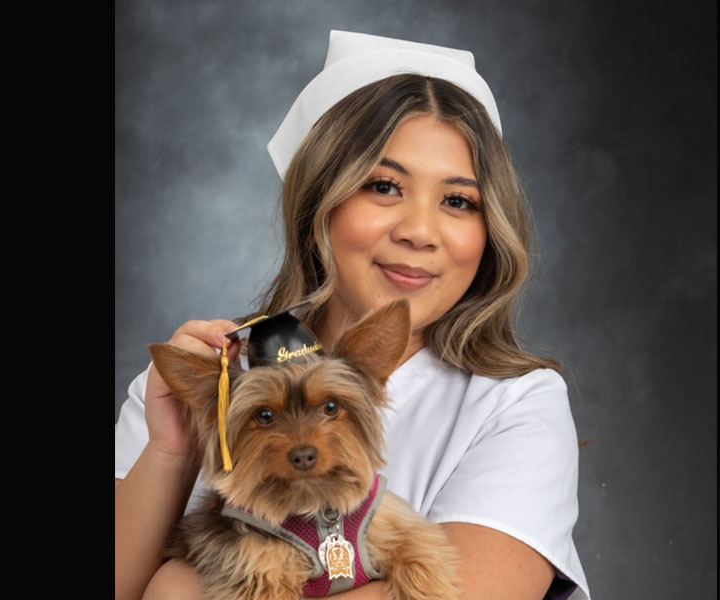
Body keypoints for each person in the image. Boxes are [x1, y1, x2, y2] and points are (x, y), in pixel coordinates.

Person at [116, 30, 591, 600]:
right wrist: (171, 449)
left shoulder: (516, 403)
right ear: (321, 201)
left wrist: (183, 590)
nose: (419, 232)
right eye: (384, 186)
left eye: (459, 200)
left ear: (489, 232)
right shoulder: (203, 379)